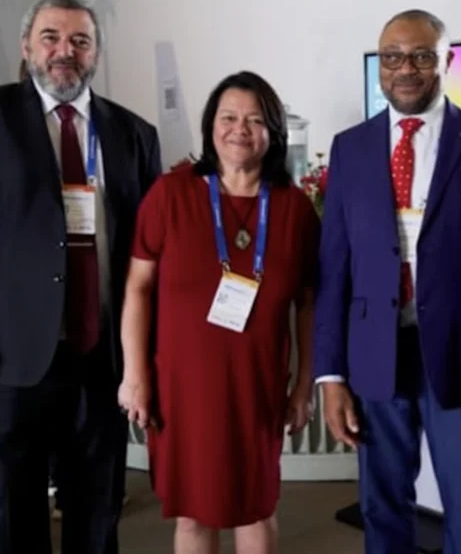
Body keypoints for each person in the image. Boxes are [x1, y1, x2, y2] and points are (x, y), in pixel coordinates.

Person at [0, 0, 162, 554]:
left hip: (102, 355)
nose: (65, 51)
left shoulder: (134, 135)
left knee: (97, 508)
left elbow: (150, 253)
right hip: (8, 351)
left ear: (96, 53)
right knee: (13, 512)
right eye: (51, 38)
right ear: (27, 47)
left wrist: (147, 354)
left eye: (80, 41)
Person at [313, 9, 461, 554]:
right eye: (392, 57)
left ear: (444, 62)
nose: (405, 69)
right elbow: (334, 271)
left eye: (420, 56)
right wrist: (331, 375)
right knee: (382, 507)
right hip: (375, 357)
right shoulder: (350, 148)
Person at [118, 71, 320, 554]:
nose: (239, 130)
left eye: (255, 120)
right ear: (211, 125)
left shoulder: (294, 209)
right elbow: (138, 287)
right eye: (228, 117)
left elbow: (309, 304)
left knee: (257, 508)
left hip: (257, 385)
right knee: (192, 513)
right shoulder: (170, 194)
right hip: (182, 388)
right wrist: (134, 373)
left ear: (274, 131)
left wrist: (304, 385)